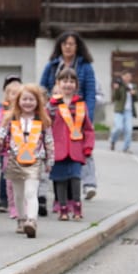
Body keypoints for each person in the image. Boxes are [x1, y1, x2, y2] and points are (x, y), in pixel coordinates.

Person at [40, 31, 99, 200]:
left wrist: (88, 114)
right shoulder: (52, 65)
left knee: (84, 149)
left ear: (77, 46)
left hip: (77, 113)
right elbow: (42, 88)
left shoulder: (85, 66)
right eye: (65, 43)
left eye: (72, 43)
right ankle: (60, 189)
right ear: (60, 46)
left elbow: (90, 92)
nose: (68, 46)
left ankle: (89, 184)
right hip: (57, 114)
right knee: (58, 151)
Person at [0, 83, 54, 238]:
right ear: (18, 100)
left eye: (31, 99)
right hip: (15, 159)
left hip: (35, 161)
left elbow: (49, 141)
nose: (28, 102)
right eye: (24, 99)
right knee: (18, 194)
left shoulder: (42, 120)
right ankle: (21, 219)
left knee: (31, 192)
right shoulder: (11, 118)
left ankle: (32, 221)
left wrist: (50, 160)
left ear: (38, 102)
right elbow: (0, 134)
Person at [49, 67, 95, 221]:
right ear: (58, 83)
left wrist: (88, 146)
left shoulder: (80, 105)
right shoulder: (52, 105)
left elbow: (88, 128)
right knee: (60, 179)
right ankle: (62, 208)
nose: (68, 84)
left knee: (75, 177)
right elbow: (44, 125)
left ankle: (76, 206)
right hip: (58, 149)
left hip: (76, 149)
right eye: (64, 81)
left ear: (76, 84)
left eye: (71, 81)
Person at [0, 74, 22, 215]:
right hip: (8, 151)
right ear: (7, 95)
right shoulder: (3, 111)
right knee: (8, 179)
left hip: (24, 152)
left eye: (18, 94)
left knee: (23, 180)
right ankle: (12, 205)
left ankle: (24, 206)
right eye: (12, 93)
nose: (16, 96)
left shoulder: (26, 111)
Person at [110, 70, 138, 153]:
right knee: (118, 127)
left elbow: (137, 98)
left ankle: (126, 148)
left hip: (128, 111)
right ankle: (113, 141)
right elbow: (115, 97)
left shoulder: (133, 86)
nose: (127, 78)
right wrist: (116, 89)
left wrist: (134, 94)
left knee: (128, 130)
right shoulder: (119, 86)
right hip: (119, 110)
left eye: (129, 76)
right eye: (125, 76)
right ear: (122, 77)